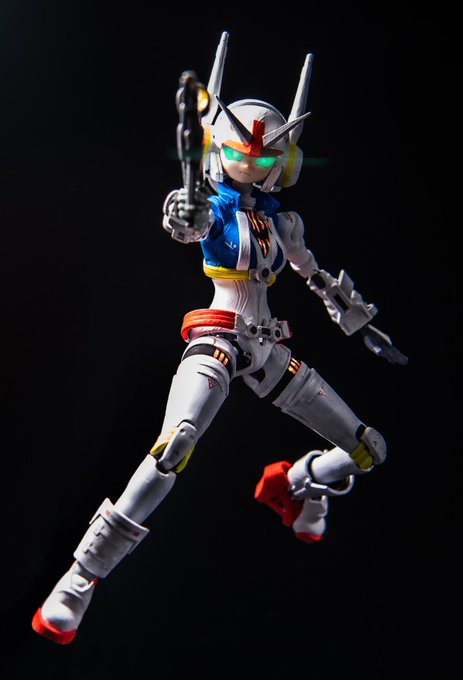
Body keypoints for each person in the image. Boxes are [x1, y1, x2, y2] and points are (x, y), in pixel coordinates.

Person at [32, 31, 406, 645]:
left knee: (369, 448)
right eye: (242, 152)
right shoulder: (213, 207)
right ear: (218, 149)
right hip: (219, 339)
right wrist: (184, 214)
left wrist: (360, 323)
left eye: (267, 155)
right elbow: (188, 222)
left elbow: (316, 277)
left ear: (284, 161)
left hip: (270, 349)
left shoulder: (283, 223)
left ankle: (296, 483)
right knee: (174, 444)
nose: (253, 163)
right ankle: (80, 577)